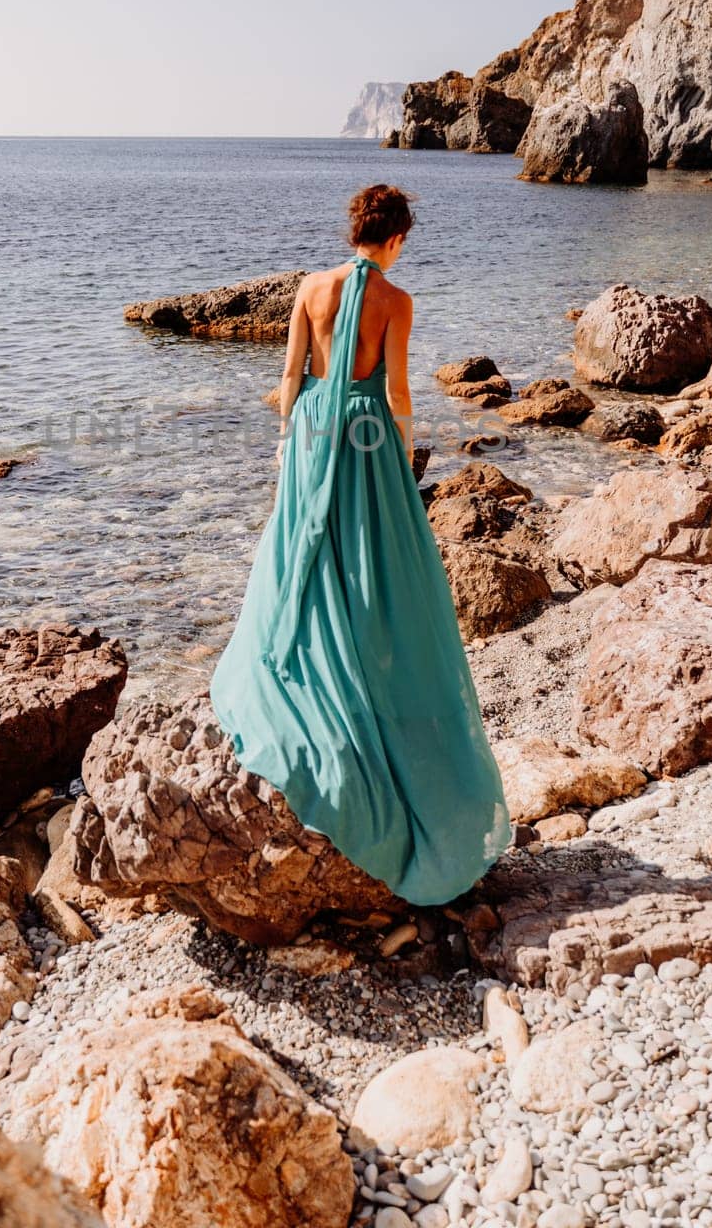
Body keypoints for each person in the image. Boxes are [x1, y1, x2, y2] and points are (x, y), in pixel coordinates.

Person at [211, 183, 511, 904]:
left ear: (355, 232)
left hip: (316, 427)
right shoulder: (396, 303)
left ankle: (306, 657)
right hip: (368, 437)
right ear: (398, 238)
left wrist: (289, 447)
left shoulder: (311, 287)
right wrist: (402, 457)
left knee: (306, 550)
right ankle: (369, 676)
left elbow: (290, 376)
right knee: (374, 565)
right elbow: (398, 391)